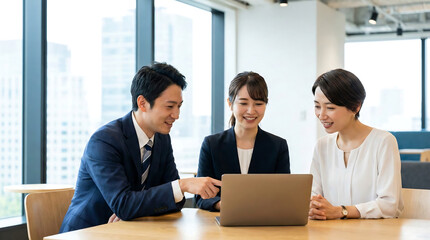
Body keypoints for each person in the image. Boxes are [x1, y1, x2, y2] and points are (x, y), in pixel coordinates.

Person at [60, 63, 221, 232]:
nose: (176, 115)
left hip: (128, 232)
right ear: (142, 103)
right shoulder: (104, 141)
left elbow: (176, 201)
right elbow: (124, 204)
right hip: (88, 232)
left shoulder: (162, 139)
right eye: (169, 106)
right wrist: (181, 186)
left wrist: (135, 209)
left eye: (179, 106)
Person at [309, 69, 403, 220]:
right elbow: (313, 197)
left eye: (330, 107)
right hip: (329, 233)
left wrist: (341, 211)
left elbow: (389, 206)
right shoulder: (322, 146)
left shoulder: (383, 141)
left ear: (355, 107)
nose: (321, 114)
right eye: (317, 106)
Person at [196, 71, 291, 211]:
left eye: (258, 103)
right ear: (230, 103)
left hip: (264, 223)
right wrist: (224, 205)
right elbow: (201, 196)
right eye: (243, 103)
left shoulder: (278, 146)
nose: (251, 111)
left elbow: (284, 194)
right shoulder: (211, 145)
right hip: (222, 223)